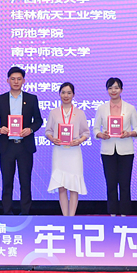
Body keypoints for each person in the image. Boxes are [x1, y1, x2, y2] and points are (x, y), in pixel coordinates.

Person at [0, 66, 43, 215]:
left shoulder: (31, 99)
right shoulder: (0, 99)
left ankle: (25, 212)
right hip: (7, 146)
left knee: (25, 182)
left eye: (19, 79)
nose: (16, 82)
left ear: (24, 81)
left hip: (25, 146)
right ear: (7, 80)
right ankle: (7, 212)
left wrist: (30, 129)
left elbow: (38, 120)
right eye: (13, 79)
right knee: (7, 182)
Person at [93, 77, 137, 216]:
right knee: (111, 183)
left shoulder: (130, 108)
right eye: (110, 88)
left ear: (121, 90)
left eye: (116, 88)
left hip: (126, 150)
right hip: (108, 151)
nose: (113, 91)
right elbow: (95, 129)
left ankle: (125, 213)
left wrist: (129, 133)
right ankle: (112, 213)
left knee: (125, 184)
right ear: (107, 90)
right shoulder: (102, 108)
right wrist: (101, 135)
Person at [44, 82, 89, 216]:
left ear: (73, 95)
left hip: (74, 152)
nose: (66, 95)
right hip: (59, 152)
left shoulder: (79, 113)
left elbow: (86, 133)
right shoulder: (54, 113)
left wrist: (79, 141)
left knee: (74, 186)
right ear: (59, 94)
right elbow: (48, 131)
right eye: (63, 92)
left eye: (69, 93)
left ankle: (72, 217)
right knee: (62, 186)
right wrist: (52, 139)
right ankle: (65, 217)